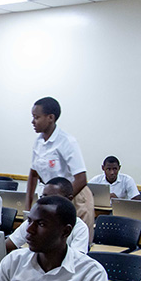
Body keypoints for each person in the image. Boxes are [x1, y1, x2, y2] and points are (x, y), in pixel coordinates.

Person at [25, 97, 95, 239]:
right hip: (51, 196)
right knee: (49, 241)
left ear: (50, 117)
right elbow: (33, 174)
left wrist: (60, 203)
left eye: (36, 117)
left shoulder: (67, 142)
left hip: (73, 196)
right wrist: (28, 206)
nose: (33, 122)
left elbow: (81, 179)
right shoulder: (38, 142)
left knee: (73, 242)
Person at [6, 177, 89, 254]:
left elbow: (76, 262)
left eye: (53, 198)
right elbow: (7, 245)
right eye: (44, 197)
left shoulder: (79, 228)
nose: (46, 202)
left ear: (69, 199)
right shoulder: (33, 222)